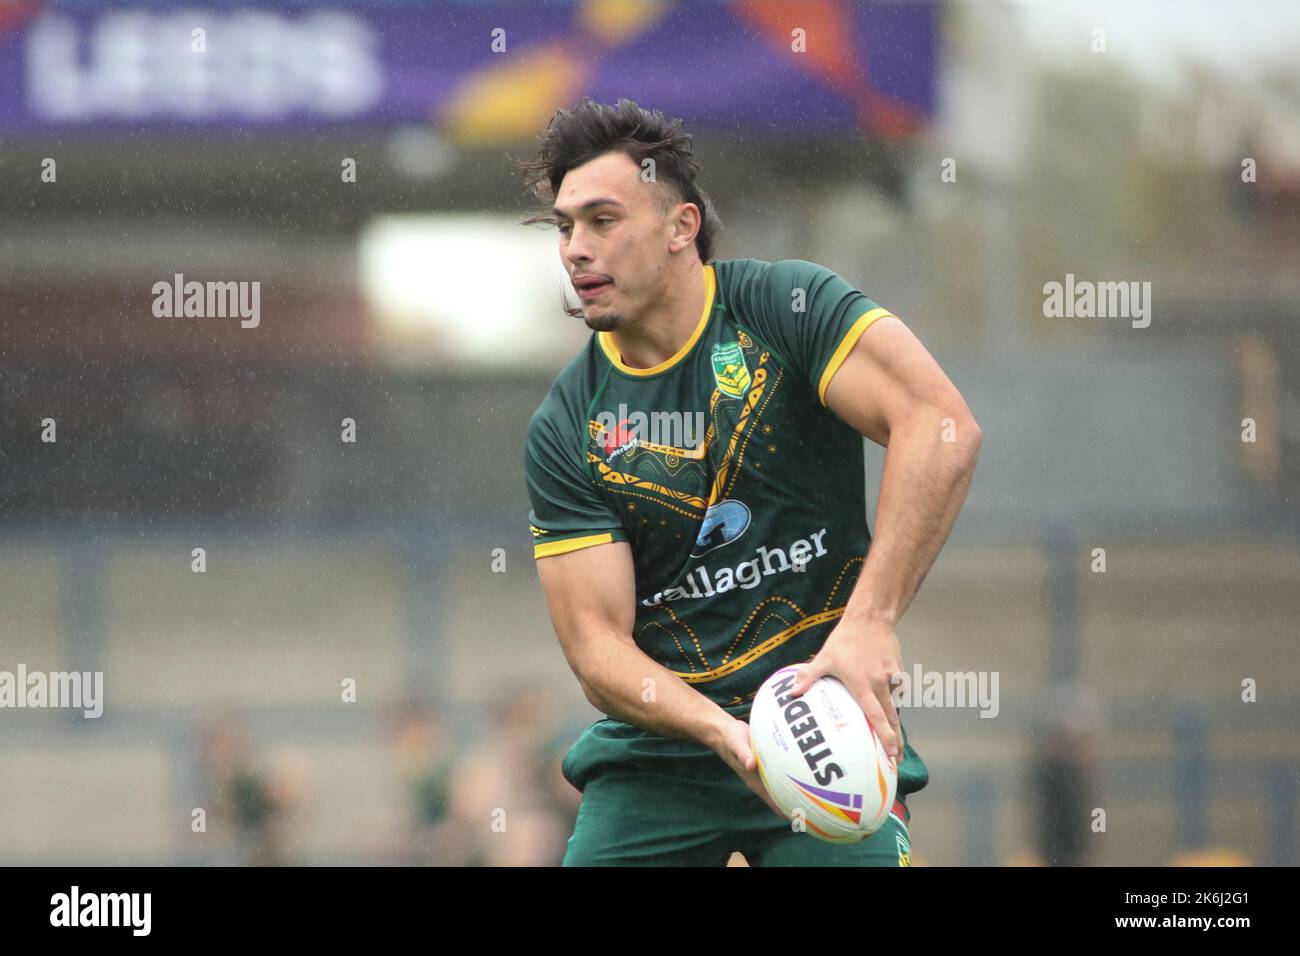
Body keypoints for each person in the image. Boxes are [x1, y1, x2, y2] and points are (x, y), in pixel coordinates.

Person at [519, 98, 981, 865]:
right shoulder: (568, 425)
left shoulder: (785, 308)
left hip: (823, 724)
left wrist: (869, 620)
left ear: (681, 227)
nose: (574, 249)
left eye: (602, 221)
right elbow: (596, 647)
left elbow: (940, 425)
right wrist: (722, 732)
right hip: (658, 758)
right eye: (565, 227)